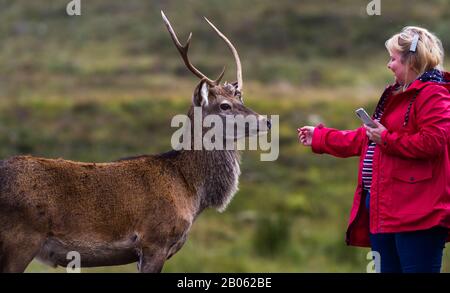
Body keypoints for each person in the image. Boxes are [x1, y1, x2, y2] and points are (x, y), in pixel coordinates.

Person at [298, 26, 450, 273]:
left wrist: (386, 138)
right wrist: (321, 137)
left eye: (393, 59)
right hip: (385, 213)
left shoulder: (433, 94)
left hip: (418, 215)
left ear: (411, 60)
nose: (389, 65)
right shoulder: (398, 94)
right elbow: (367, 139)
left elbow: (433, 141)